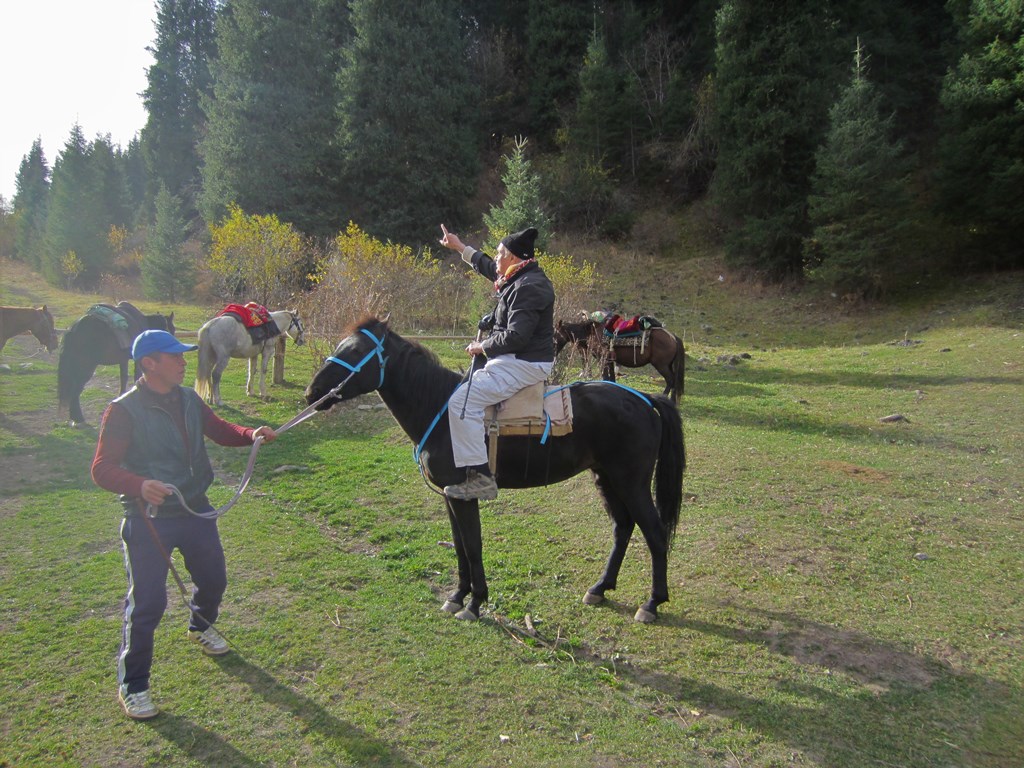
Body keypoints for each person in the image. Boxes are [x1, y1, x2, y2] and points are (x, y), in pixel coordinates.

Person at [91, 329, 278, 720]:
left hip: (196, 508)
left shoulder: (190, 398)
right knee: (147, 605)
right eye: (174, 356)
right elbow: (102, 468)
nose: (183, 361)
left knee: (214, 580)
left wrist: (251, 434)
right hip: (149, 520)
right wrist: (140, 485)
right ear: (149, 364)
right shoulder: (123, 410)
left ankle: (200, 624)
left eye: (182, 355)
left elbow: (220, 429)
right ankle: (134, 684)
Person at [438, 224, 555, 500]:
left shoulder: (529, 287)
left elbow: (516, 337)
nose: (496, 258)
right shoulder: (518, 275)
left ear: (513, 257)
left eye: (500, 253)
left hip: (525, 361)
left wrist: (482, 346)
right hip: (518, 357)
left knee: (461, 403)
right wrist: (459, 246)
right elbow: (489, 267)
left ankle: (481, 479)